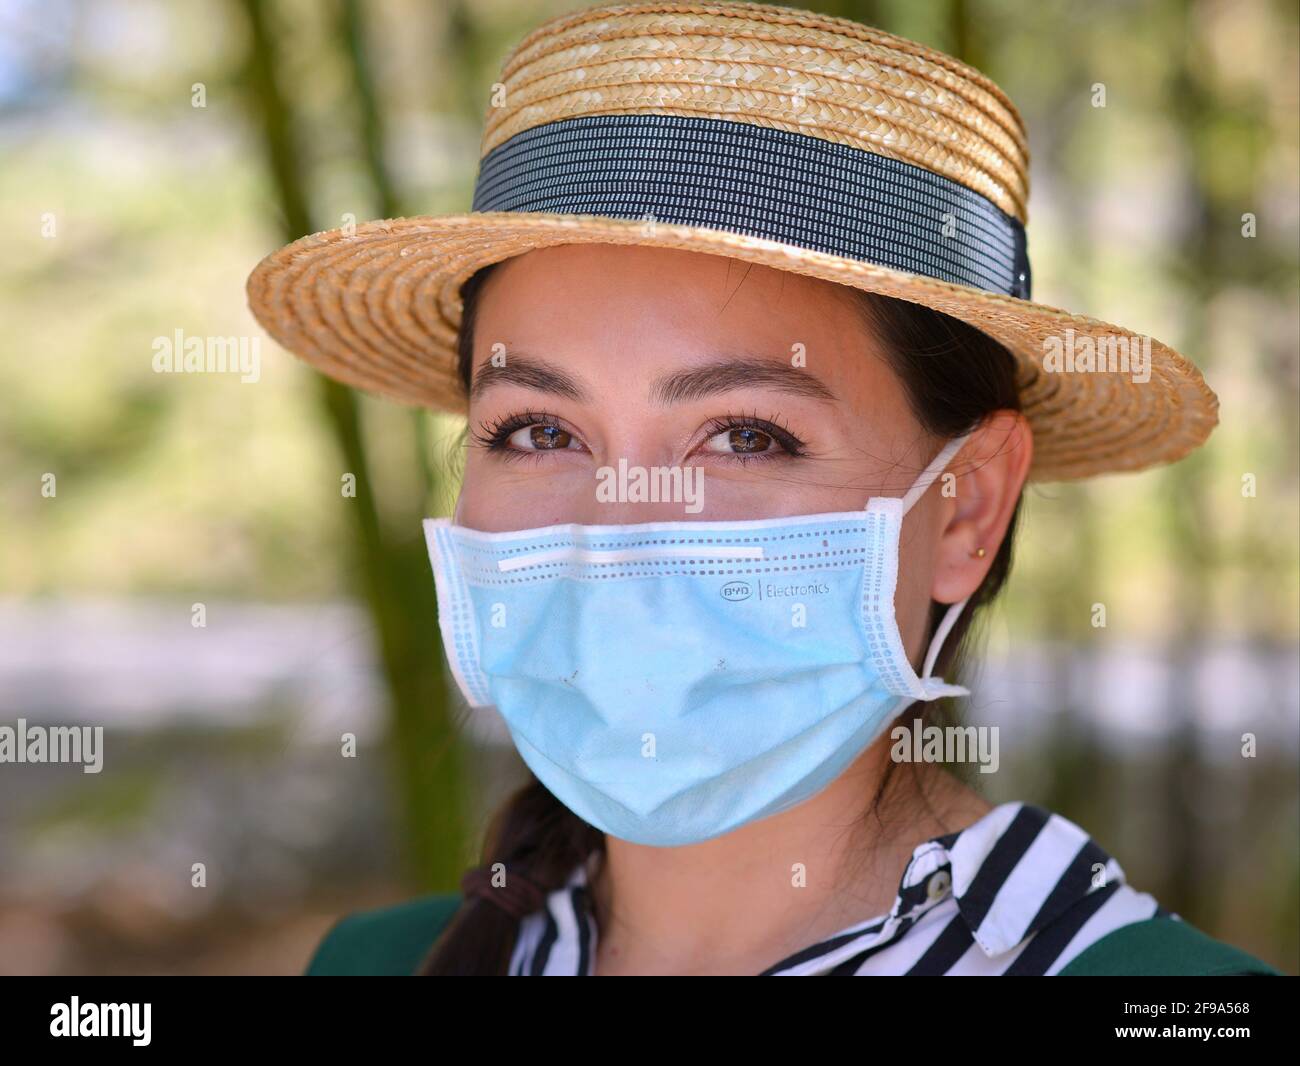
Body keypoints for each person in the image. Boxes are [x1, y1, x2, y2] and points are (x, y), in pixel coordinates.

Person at [246, 1, 1279, 975]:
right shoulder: (380, 964)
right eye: (539, 429)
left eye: (744, 436)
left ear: (966, 505)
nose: (621, 530)